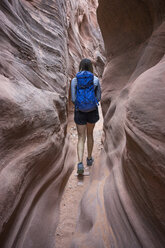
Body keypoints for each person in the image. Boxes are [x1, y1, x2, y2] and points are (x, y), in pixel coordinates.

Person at [71, 58, 101, 175]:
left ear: (80, 67)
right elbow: (98, 97)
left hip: (80, 111)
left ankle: (79, 163)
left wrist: (80, 105)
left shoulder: (75, 80)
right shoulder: (95, 79)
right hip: (92, 111)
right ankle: (89, 159)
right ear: (91, 67)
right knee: (89, 134)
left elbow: (73, 99)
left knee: (81, 137)